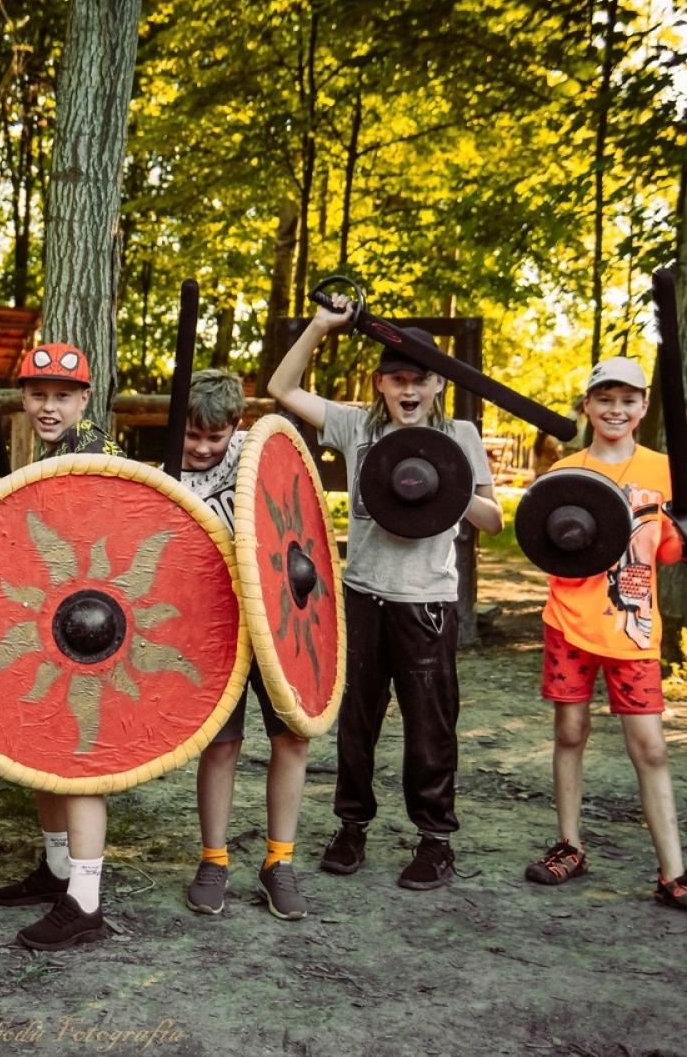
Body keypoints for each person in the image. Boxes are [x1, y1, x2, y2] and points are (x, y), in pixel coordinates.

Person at [267, 301, 501, 890]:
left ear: (438, 383)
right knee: (357, 722)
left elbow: (495, 520)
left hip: (427, 603)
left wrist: (445, 489)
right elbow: (281, 388)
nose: (409, 390)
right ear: (380, 383)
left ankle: (435, 840)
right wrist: (321, 325)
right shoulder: (358, 428)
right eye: (397, 379)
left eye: (419, 379)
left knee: (430, 726)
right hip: (363, 597)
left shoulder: (460, 436)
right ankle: (351, 828)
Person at [524, 356, 687, 923]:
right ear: (587, 406)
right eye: (604, 399)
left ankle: (674, 875)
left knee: (650, 747)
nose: (615, 410)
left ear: (644, 407)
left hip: (635, 628)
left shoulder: (666, 471)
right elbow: (545, 546)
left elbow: (667, 551)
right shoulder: (565, 471)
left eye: (627, 400)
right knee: (570, 731)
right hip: (569, 621)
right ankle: (569, 846)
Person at [0, 341, 121, 951]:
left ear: (84, 399)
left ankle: (84, 901)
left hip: (91, 631)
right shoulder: (51, 453)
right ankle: (59, 867)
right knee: (46, 745)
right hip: (53, 627)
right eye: (38, 394)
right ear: (23, 398)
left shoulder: (94, 454)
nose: (49, 406)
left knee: (78, 758)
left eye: (62, 397)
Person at [179, 370, 312, 921]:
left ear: (236, 427)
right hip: (214, 625)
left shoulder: (254, 456)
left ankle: (279, 861)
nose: (202, 447)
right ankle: (214, 860)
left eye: (214, 436)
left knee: (292, 737)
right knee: (221, 744)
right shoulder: (163, 472)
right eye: (193, 435)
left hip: (277, 619)